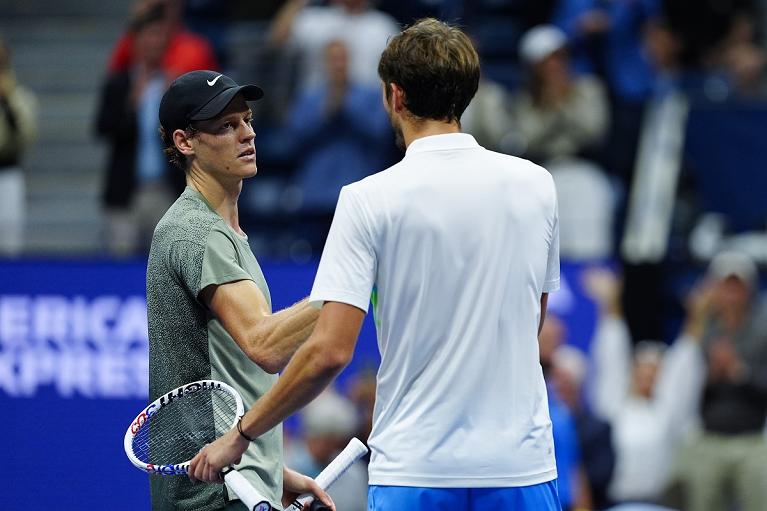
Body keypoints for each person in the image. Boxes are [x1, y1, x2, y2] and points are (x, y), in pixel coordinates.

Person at [191, 18, 562, 510]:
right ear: (465, 97)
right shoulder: (538, 186)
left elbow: (329, 351)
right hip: (523, 469)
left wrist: (242, 433)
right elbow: (530, 320)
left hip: (416, 471)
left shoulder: (367, 199)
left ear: (395, 97)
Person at [147, 69, 333, 511]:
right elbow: (265, 346)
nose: (247, 133)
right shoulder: (198, 234)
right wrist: (348, 287)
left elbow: (233, 372)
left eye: (247, 120)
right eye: (226, 126)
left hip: (237, 483)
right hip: (217, 496)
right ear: (185, 142)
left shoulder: (218, 232)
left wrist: (274, 471)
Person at [671, 251, 767, 511]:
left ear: (749, 290)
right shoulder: (702, 329)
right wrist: (709, 375)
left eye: (737, 287)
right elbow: (677, 389)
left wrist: (738, 371)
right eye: (725, 286)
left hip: (754, 439)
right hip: (707, 437)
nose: (731, 295)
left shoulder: (763, 329)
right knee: (694, 487)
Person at [95, 7, 184, 256]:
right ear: (136, 41)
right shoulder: (119, 84)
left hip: (165, 191)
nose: (154, 42)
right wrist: (131, 105)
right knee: (120, 262)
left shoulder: (175, 85)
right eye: (149, 35)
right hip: (126, 191)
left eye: (160, 36)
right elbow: (103, 128)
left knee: (168, 263)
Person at [0, 37, 37, 256]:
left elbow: (25, 137)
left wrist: (6, 105)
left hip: (7, 174)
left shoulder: (19, 97)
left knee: (10, 244)